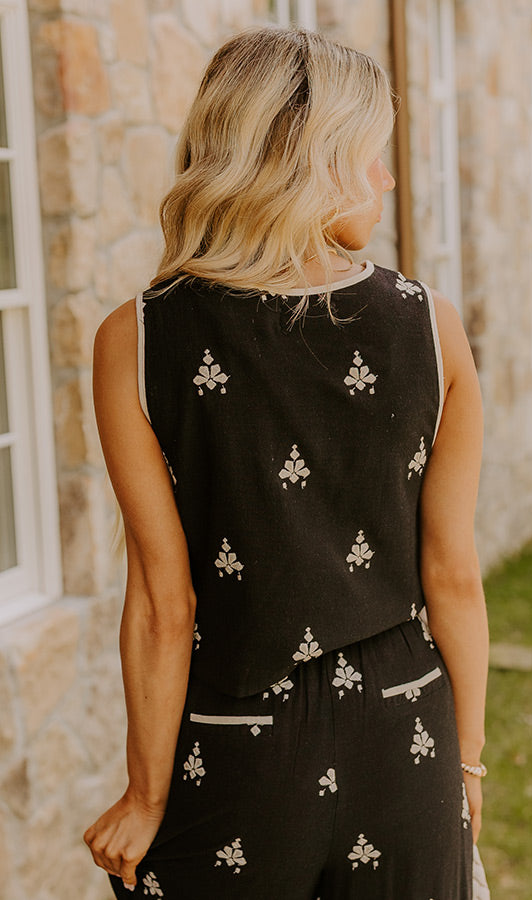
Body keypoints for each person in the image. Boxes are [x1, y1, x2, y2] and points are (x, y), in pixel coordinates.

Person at [83, 25, 489, 900]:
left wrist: (146, 798)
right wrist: (466, 763)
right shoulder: (431, 326)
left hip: (236, 749)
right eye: (370, 153)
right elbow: (452, 575)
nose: (385, 178)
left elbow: (162, 604)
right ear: (314, 160)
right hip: (406, 737)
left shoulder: (136, 340)